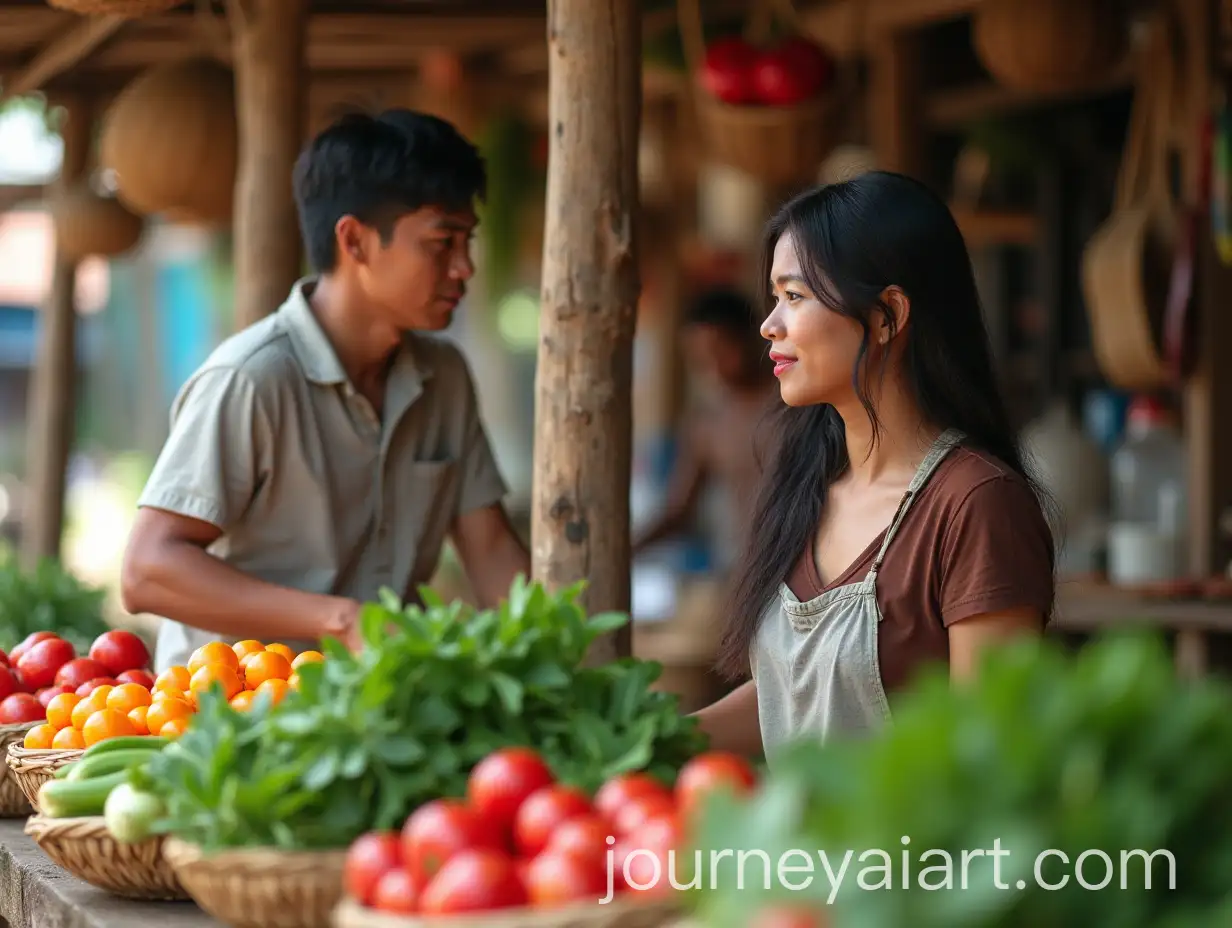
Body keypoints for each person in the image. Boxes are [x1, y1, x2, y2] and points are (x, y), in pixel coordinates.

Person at [120, 109, 530, 672]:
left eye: (468, 242)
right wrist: (338, 620)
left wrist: (547, 666)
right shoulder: (250, 379)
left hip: (380, 708)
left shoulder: (445, 377)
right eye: (442, 243)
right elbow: (146, 571)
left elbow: (489, 549)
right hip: (229, 717)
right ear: (355, 241)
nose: (465, 267)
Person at [691, 172, 1055, 759]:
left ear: (887, 315)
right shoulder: (805, 485)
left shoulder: (977, 505)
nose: (769, 325)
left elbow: (994, 759)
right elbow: (791, 699)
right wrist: (655, 739)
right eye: (774, 297)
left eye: (794, 296)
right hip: (792, 853)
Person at [633, 288, 777, 570]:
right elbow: (680, 510)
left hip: (809, 567)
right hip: (746, 567)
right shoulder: (707, 423)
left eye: (720, 350)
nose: (712, 365)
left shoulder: (798, 405)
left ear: (751, 335)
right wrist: (631, 547)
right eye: (700, 357)